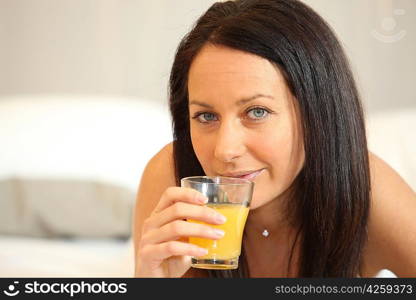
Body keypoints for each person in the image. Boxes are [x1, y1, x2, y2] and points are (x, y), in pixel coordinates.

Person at [133, 0, 416, 277]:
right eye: (206, 116)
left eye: (257, 112)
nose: (225, 150)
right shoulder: (171, 179)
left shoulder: (367, 190)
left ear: (316, 115)